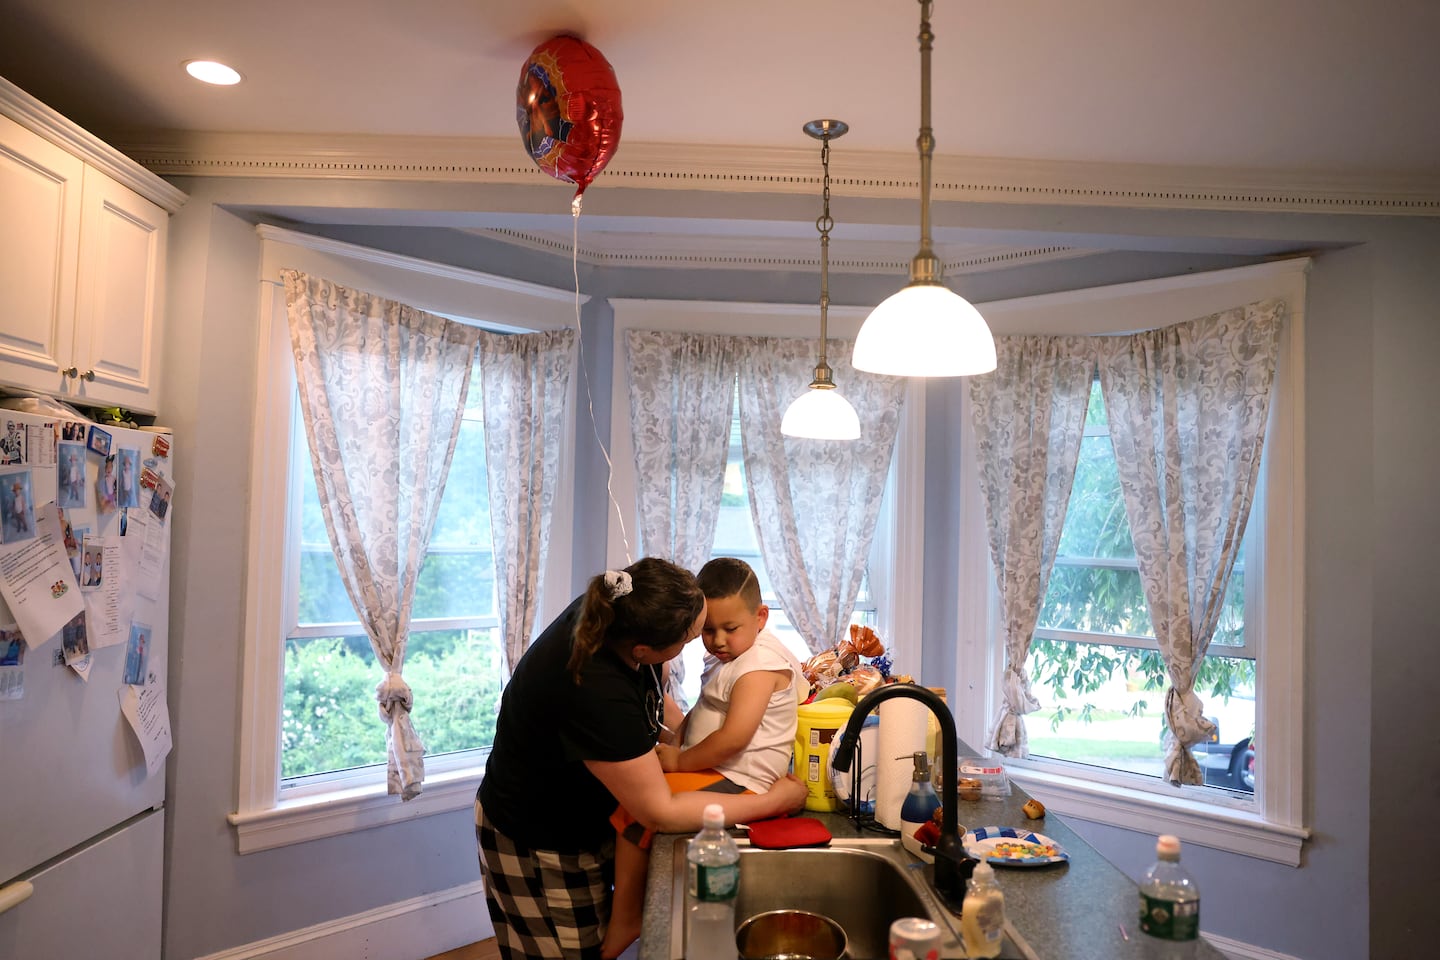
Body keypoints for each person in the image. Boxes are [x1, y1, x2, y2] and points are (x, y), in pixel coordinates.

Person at [477, 557, 806, 960]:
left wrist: (685, 737)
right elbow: (657, 812)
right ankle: (626, 918)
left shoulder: (619, 606)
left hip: (588, 815)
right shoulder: (592, 687)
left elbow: (652, 697)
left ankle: (623, 917)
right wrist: (774, 801)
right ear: (643, 650)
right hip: (538, 835)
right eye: (692, 637)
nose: (708, 643)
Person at [601, 557, 805, 957]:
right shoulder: (734, 656)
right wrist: (678, 740)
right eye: (708, 630)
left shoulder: (760, 665)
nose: (718, 640)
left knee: (635, 811)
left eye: (730, 628)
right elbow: (705, 707)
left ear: (761, 617)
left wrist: (679, 761)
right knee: (636, 801)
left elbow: (733, 738)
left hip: (741, 780)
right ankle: (628, 911)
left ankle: (626, 917)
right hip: (716, 771)